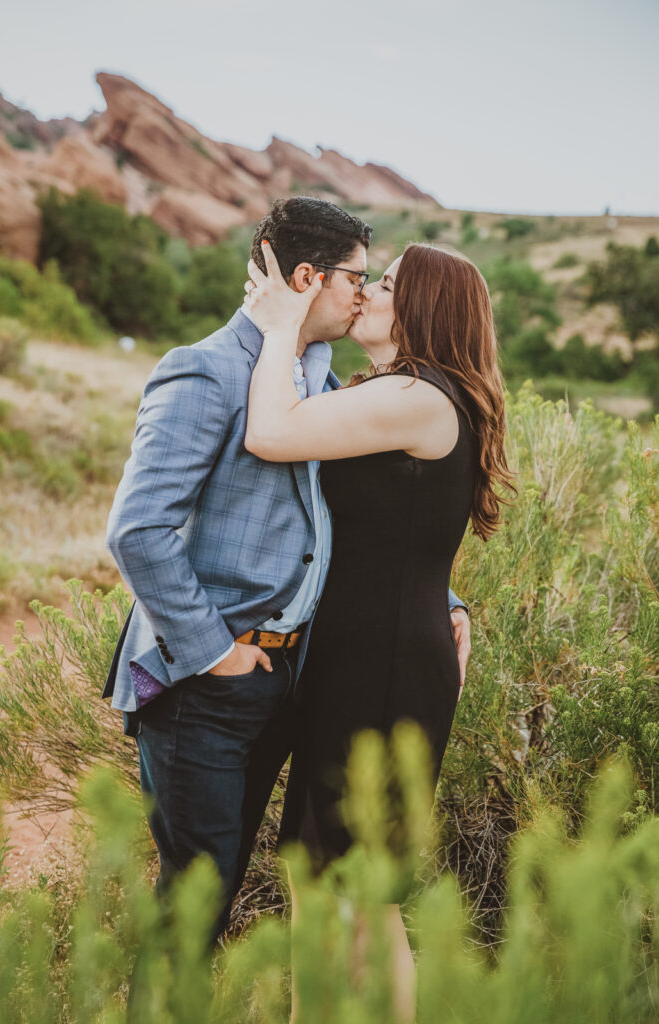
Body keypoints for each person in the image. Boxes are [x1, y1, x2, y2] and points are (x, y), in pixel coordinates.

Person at [101, 197, 471, 956]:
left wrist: (446, 600)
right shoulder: (204, 372)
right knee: (190, 911)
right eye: (356, 279)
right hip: (206, 682)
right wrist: (216, 653)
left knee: (227, 887)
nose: (365, 294)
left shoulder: (319, 380)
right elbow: (137, 532)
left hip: (286, 680)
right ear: (305, 277)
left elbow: (358, 521)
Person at [244, 239, 512, 1022]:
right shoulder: (407, 392)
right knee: (315, 873)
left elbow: (272, 432)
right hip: (364, 659)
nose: (367, 294)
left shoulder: (421, 397)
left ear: (424, 308)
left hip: (384, 670)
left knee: (355, 890)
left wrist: (274, 330)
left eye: (386, 285)